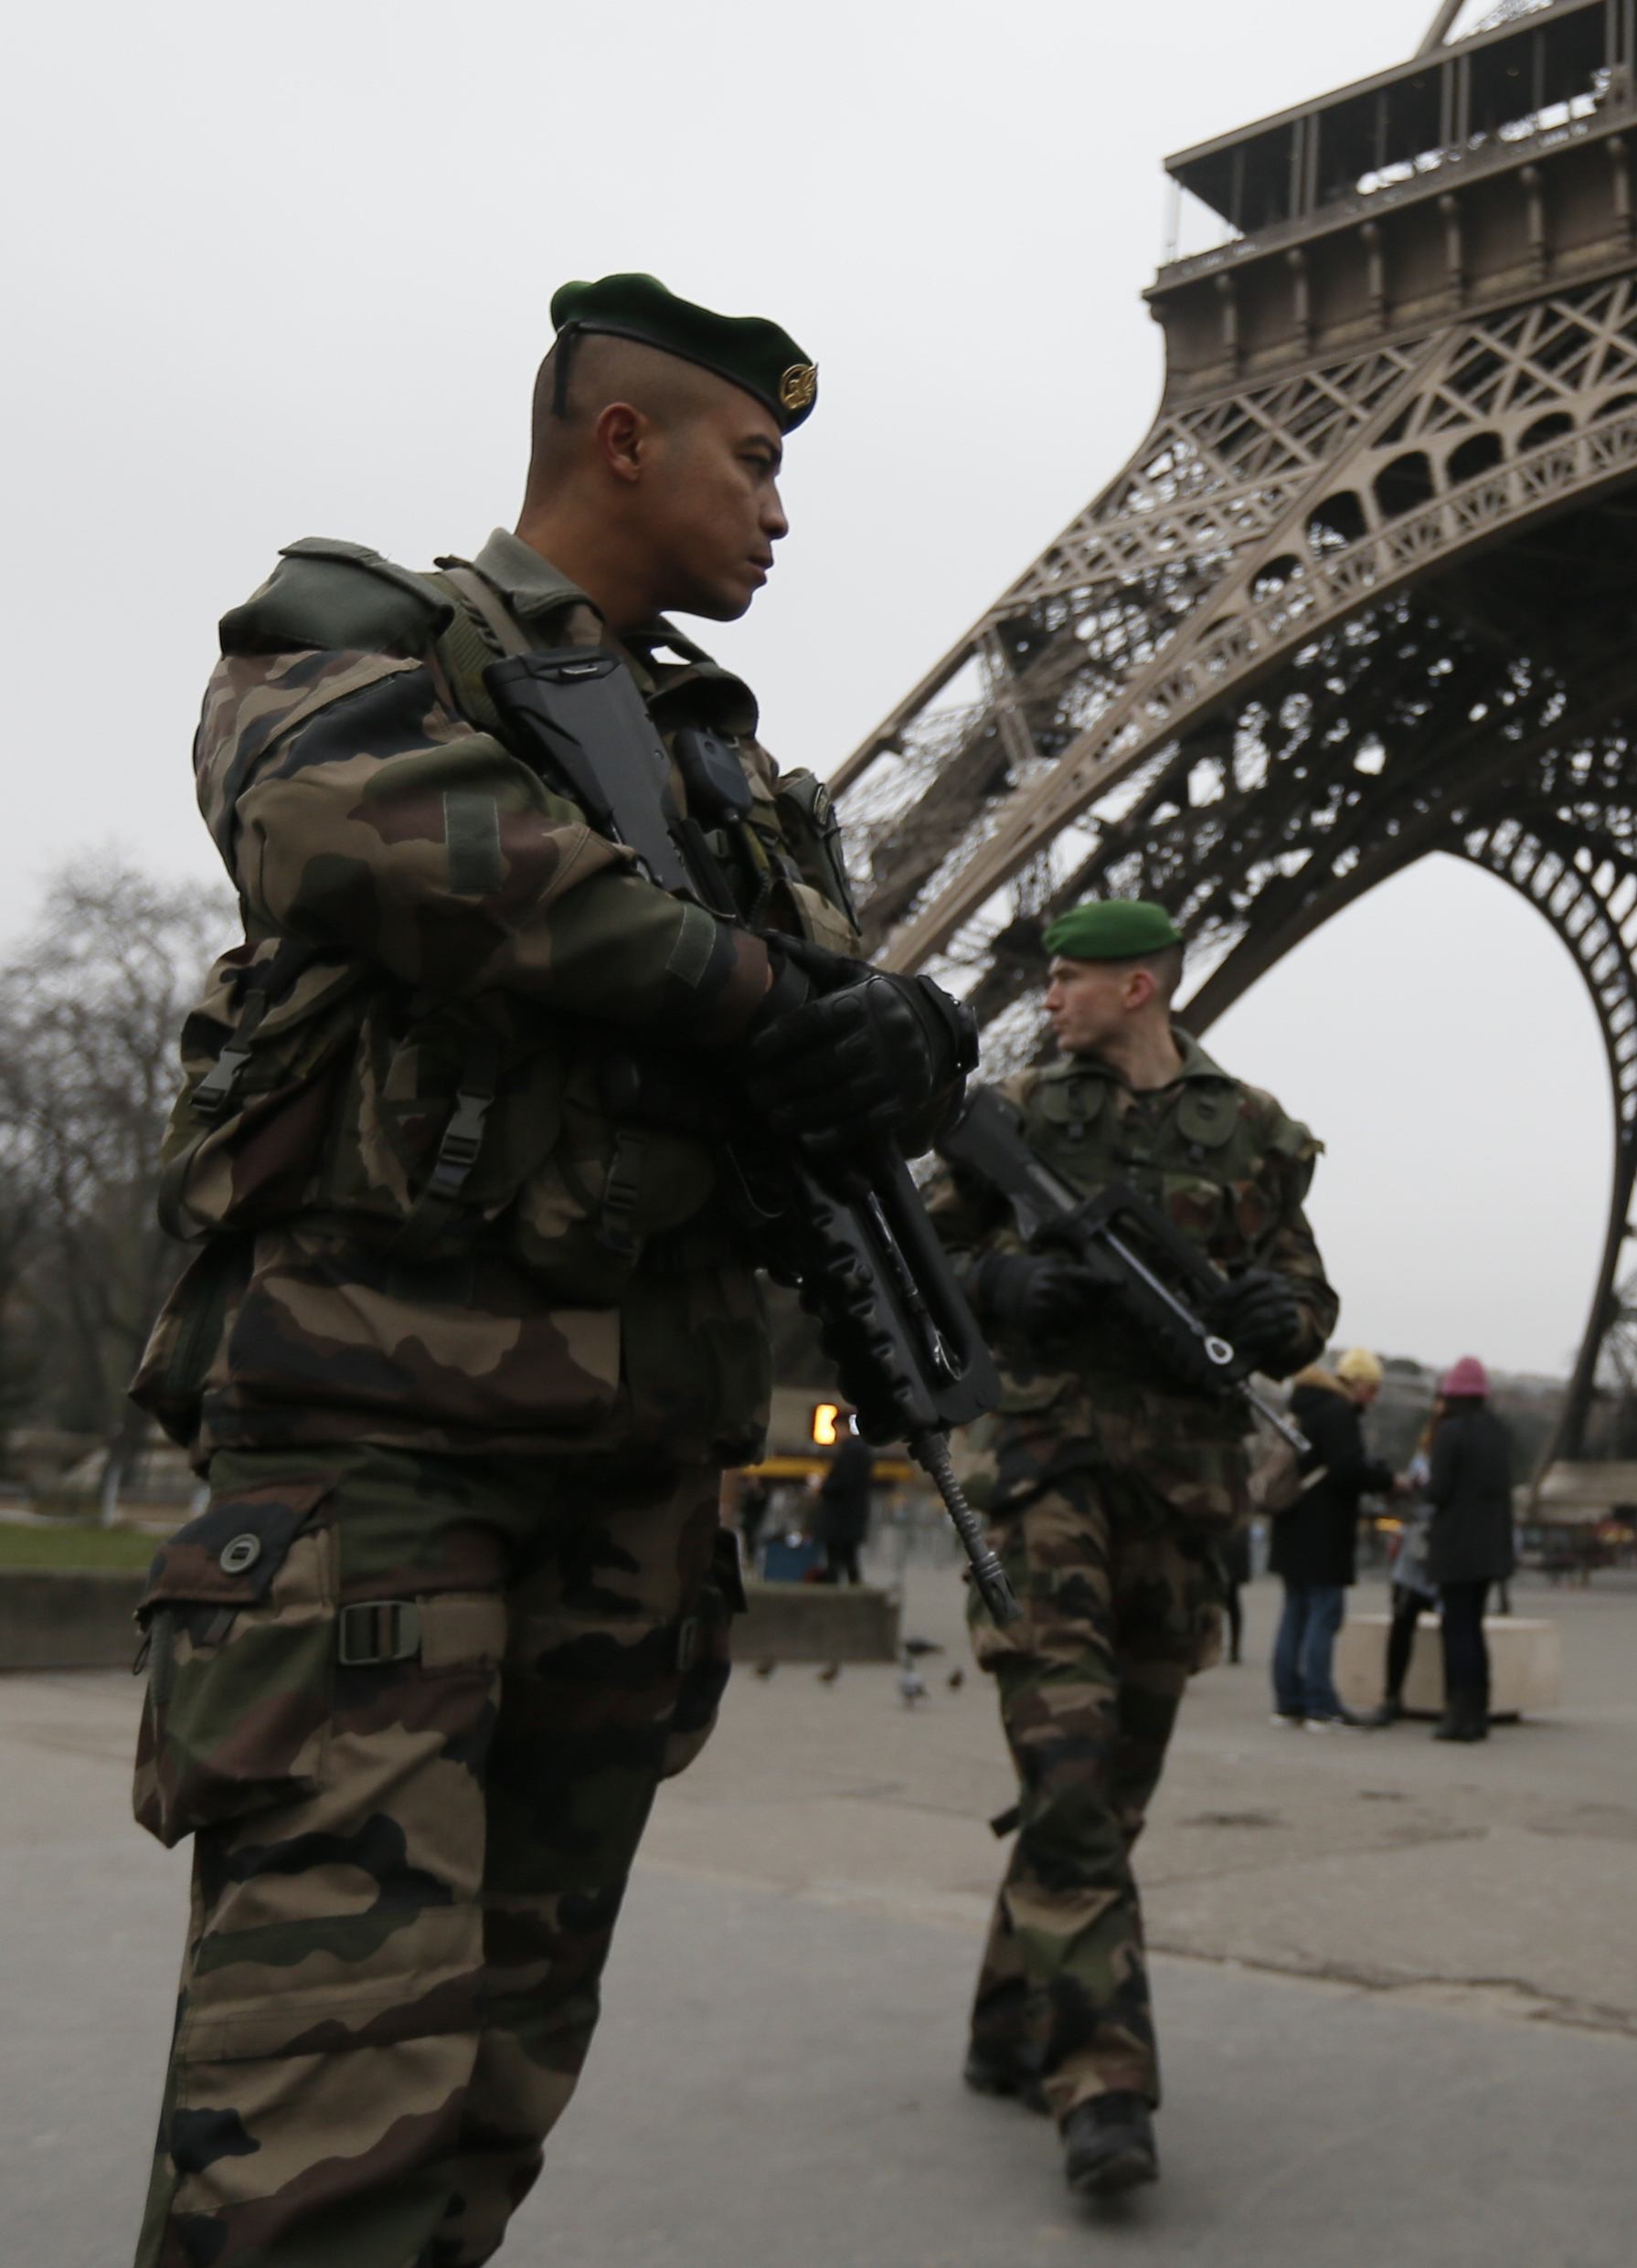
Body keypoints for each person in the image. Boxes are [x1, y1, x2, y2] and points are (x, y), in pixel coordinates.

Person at [116, 274, 973, 2266]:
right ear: (621, 439)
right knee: (317, 2125)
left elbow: (797, 1060)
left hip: (632, 1496)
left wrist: (903, 1050)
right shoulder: (362, 641)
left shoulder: (744, 788)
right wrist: (774, 994)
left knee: (491, 2096)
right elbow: (365, 826)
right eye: (755, 462)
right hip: (379, 1470)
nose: (780, 510)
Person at [933, 896, 1335, 2199]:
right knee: (1066, 1772)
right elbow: (916, 1253)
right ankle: (1101, 2081)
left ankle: (1011, 2016)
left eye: (1070, 978)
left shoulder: (1260, 1132)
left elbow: (1303, 1285)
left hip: (1181, 1493)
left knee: (1107, 1795)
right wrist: (998, 1285)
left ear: (1141, 989)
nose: (1049, 997)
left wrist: (1282, 1315)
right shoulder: (1016, 1117)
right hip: (1042, 1471)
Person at [1271, 1348, 1392, 1727]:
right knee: (1324, 1616)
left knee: (1294, 1614)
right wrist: (1384, 1479)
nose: (1371, 1398)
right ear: (1353, 1384)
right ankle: (1320, 1704)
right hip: (1324, 1532)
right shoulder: (1338, 1413)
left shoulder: (1301, 1408)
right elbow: (1346, 1470)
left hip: (1291, 1523)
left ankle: (1288, 1701)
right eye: (1370, 1389)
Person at [1421, 1358, 1516, 1743]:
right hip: (1490, 1546)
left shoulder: (1451, 1432)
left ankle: (1458, 1713)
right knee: (1474, 1628)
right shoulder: (1499, 1432)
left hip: (1456, 1545)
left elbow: (1438, 1491)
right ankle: (1478, 1711)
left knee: (1456, 1628)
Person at [1374, 1400, 1442, 1726]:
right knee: (1402, 1621)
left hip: (1441, 1545)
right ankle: (1392, 1695)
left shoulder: (1445, 1453)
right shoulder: (1423, 1457)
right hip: (1417, 1546)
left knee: (1430, 1623)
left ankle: (1444, 1697)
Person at [816, 1420, 878, 1587]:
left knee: (838, 1558)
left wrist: (824, 1486)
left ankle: (837, 1588)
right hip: (850, 1517)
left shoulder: (852, 1451)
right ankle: (852, 1588)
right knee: (849, 1557)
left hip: (842, 1516)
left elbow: (845, 1483)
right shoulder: (859, 1450)